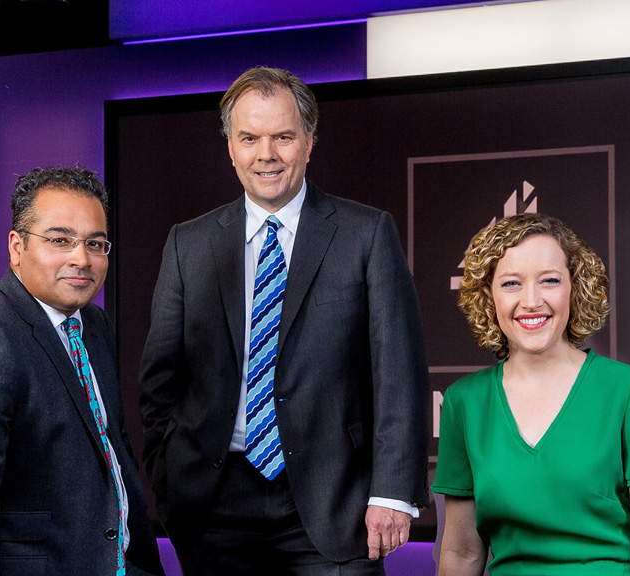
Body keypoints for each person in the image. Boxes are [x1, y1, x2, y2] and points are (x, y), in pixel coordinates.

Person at [139, 66, 429, 575]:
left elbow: (398, 374)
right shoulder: (188, 244)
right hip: (213, 507)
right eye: (249, 138)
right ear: (230, 147)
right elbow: (159, 382)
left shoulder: (366, 234)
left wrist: (392, 492)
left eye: (283, 137)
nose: (265, 154)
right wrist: (170, 482)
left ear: (310, 143)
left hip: (335, 503)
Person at [0, 165, 164, 576]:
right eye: (59, 240)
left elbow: (111, 449)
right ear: (17, 247)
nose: (81, 259)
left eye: (95, 243)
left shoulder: (93, 324)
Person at [434, 213, 630, 575]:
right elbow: (461, 553)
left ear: (575, 288)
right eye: (511, 283)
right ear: (489, 296)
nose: (531, 301)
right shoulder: (464, 402)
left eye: (549, 280)